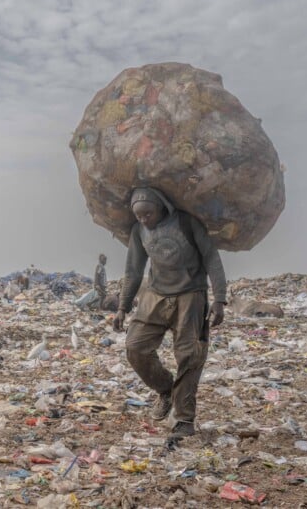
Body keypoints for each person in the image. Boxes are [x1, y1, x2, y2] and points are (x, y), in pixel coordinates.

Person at [113, 187, 227, 440]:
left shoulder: (186, 223)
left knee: (189, 355)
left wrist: (219, 299)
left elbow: (211, 259)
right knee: (135, 346)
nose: (144, 219)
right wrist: (123, 306)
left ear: (163, 206)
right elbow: (133, 270)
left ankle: (185, 419)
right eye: (139, 215)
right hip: (155, 294)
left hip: (190, 294)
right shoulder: (138, 231)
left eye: (148, 213)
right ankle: (165, 389)